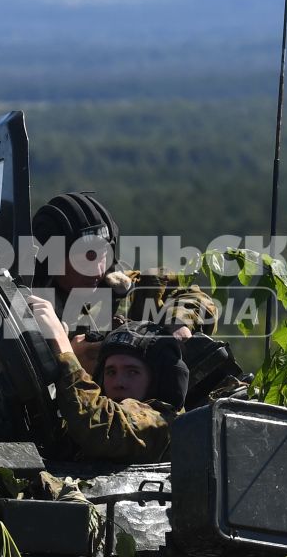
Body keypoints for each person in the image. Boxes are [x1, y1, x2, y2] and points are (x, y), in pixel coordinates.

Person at [29, 192, 219, 377]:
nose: (96, 269)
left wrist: (179, 323)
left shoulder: (121, 287)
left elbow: (195, 298)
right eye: (84, 258)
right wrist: (70, 358)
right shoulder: (32, 314)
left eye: (103, 253)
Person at [23, 296, 189, 462]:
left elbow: (99, 426)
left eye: (132, 372)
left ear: (159, 379)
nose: (119, 383)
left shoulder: (163, 422)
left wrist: (63, 347)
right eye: (111, 372)